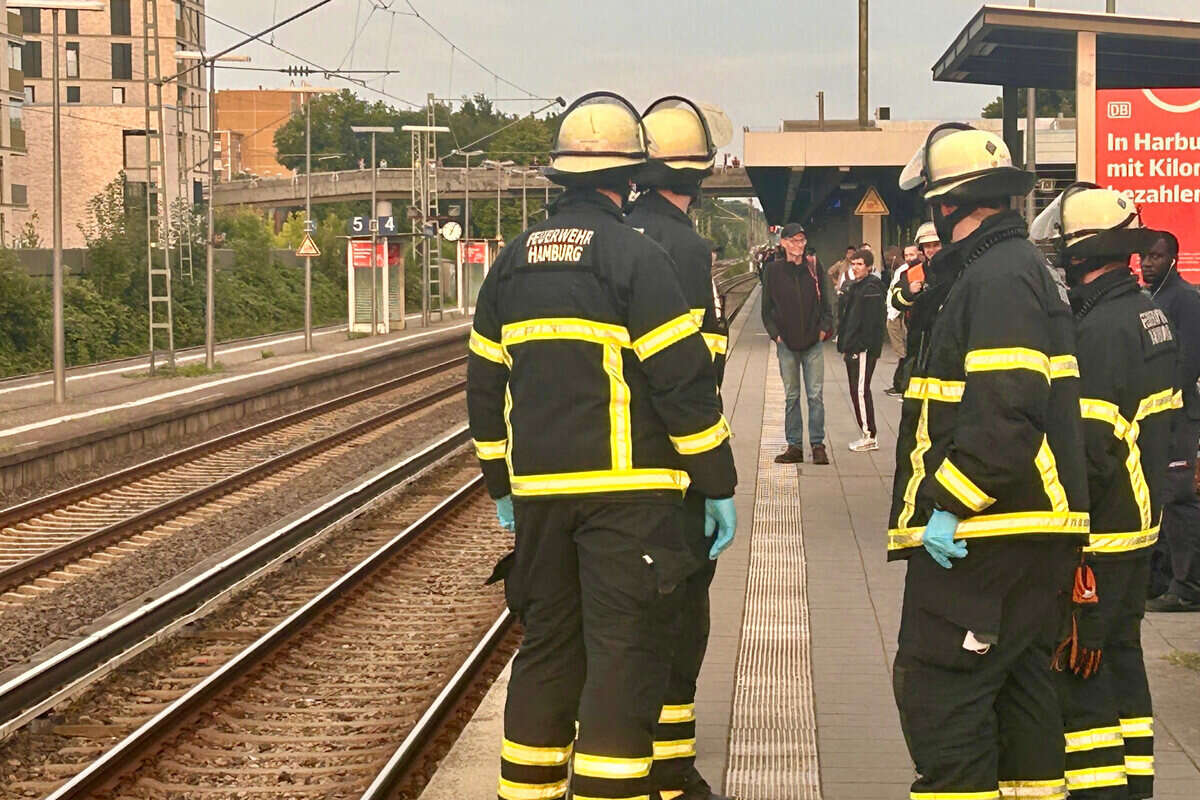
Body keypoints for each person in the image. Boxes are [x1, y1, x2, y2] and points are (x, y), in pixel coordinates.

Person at [468, 92, 738, 800]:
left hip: (541, 501)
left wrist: (501, 485)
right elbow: (683, 385)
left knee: (548, 652)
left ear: (560, 179)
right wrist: (717, 482)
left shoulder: (510, 261)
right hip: (625, 502)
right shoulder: (634, 257)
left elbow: (482, 388)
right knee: (622, 657)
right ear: (628, 178)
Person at [888, 123, 1089, 800]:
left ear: (949, 203)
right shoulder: (1017, 270)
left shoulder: (998, 279)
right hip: (1025, 534)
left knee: (942, 697)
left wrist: (946, 505)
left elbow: (1005, 411)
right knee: (1023, 700)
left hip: (985, 535)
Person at [1031, 184, 1178, 800]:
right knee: (1121, 656)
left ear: (1083, 253)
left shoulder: (1098, 333)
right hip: (1140, 523)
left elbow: (1088, 450)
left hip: (1102, 532)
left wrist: (1068, 541)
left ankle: (1097, 791)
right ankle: (1135, 783)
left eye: (1063, 250)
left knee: (1079, 666)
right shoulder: (1147, 312)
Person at [626, 95, 736, 800]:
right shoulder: (687, 250)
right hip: (672, 470)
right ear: (695, 177)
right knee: (678, 620)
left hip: (604, 466)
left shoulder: (611, 235)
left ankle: (617, 749)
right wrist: (714, 481)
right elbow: (701, 373)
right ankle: (671, 770)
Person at [1141, 230, 1200, 612]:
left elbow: (1189, 361)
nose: (1148, 263)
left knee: (1179, 498)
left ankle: (1189, 585)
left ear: (1173, 260)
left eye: (1157, 257)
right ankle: (1162, 578)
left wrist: (1168, 404)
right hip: (1157, 415)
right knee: (1160, 495)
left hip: (1180, 416)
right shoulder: (1152, 299)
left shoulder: (1186, 300)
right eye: (1144, 257)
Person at [761, 222, 835, 464]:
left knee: (815, 395)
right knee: (792, 396)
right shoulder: (772, 271)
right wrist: (776, 335)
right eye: (793, 241)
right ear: (782, 243)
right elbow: (766, 310)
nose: (798, 246)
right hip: (787, 344)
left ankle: (817, 444)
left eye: (802, 241)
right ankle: (794, 446)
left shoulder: (814, 266)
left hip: (813, 341)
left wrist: (824, 329)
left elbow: (827, 301)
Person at [836, 248, 885, 451]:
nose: (855, 268)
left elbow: (872, 322)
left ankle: (869, 435)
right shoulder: (854, 287)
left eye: (859, 264)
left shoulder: (872, 288)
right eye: (853, 264)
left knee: (860, 390)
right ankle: (866, 432)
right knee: (856, 390)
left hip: (863, 348)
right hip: (853, 346)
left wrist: (861, 345)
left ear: (869, 267)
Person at [884, 239, 925, 397]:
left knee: (907, 353)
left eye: (912, 254)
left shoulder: (924, 269)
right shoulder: (903, 272)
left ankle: (902, 384)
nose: (909, 258)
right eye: (906, 255)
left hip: (915, 318)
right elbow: (896, 295)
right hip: (903, 316)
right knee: (906, 353)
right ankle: (901, 384)